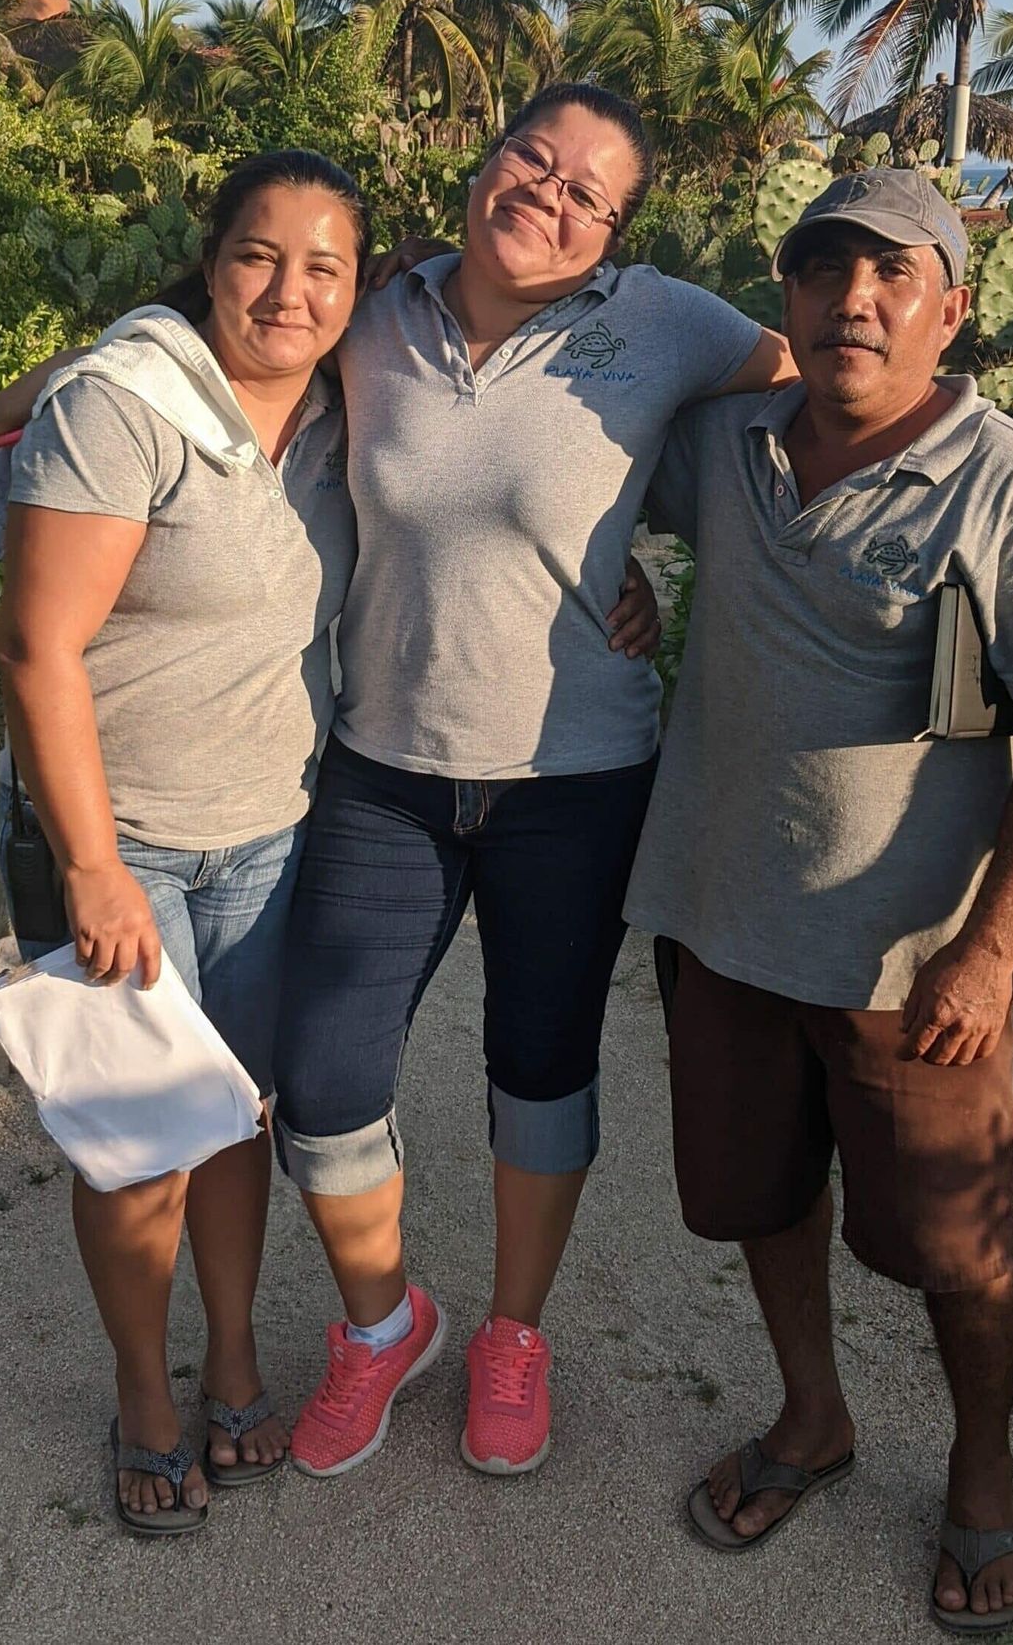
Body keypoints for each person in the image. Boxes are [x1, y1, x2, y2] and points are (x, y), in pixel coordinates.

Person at [268, 83, 796, 1484]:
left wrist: (660, 567)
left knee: (542, 1067)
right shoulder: (374, 306)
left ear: (617, 234)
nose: (546, 197)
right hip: (385, 765)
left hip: (576, 775)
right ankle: (384, 1325)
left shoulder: (662, 322)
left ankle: (512, 1331)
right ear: (486, 156)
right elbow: (215, 353)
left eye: (586, 193)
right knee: (320, 1078)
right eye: (532, 159)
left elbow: (821, 384)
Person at [622, 171, 1013, 1631]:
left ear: (950, 306)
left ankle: (982, 1474)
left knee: (958, 1242)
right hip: (719, 916)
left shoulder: (1009, 478)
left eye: (893, 275)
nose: (856, 299)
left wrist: (993, 942)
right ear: (784, 299)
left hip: (909, 957)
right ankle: (812, 1415)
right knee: (753, 1191)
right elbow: (546, 458)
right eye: (824, 270)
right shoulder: (725, 446)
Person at [0, 150, 366, 1534]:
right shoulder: (123, 402)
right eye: (259, 255)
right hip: (119, 840)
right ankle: (147, 1390)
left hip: (268, 834)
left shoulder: (332, 412)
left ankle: (238, 1349)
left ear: (354, 291)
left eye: (324, 265)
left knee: (236, 1120)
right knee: (139, 1146)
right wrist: (90, 867)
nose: (289, 288)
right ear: (210, 262)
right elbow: (35, 647)